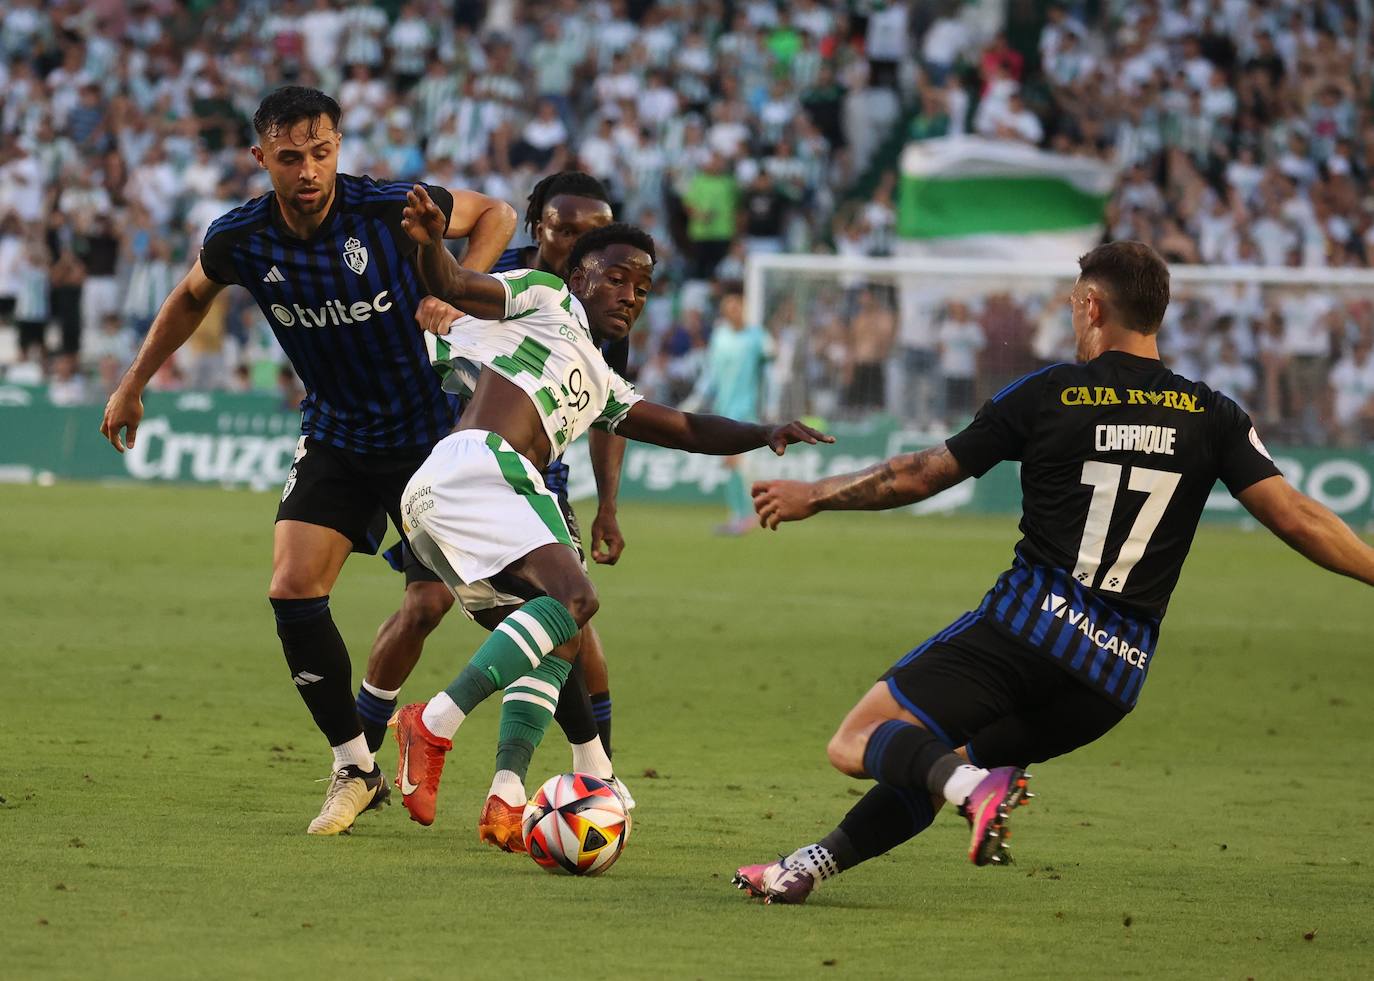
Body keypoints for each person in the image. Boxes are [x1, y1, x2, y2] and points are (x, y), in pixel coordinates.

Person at [733, 241, 1374, 904]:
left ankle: (977, 789)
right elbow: (1298, 517)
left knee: (860, 739)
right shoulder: (1212, 413)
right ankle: (808, 865)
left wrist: (818, 493)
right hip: (1110, 680)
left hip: (1029, 632)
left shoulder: (1051, 393)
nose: (1073, 318)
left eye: (1074, 305)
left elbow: (924, 472)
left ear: (1093, 305)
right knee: (936, 761)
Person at [98, 87, 518, 836]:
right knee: (292, 586)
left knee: (473, 604)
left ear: (338, 148)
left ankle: (587, 761)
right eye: (290, 157)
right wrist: (133, 382)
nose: (309, 171)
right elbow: (191, 297)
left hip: (431, 434)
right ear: (262, 159)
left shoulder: (389, 206)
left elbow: (496, 214)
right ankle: (356, 765)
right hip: (337, 433)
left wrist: (457, 289)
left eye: (321, 153)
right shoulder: (242, 237)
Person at [388, 189, 831, 835]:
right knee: (575, 599)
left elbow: (684, 426)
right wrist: (430, 244)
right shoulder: (545, 296)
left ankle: (507, 793)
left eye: (643, 288)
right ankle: (431, 724)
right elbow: (453, 282)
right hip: (481, 468)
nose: (630, 295)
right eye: (617, 277)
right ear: (578, 276)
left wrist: (764, 431)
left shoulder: (601, 376)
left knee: (557, 639)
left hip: (445, 498)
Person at [359, 171, 637, 851]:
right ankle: (359, 760)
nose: (579, 242)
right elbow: (445, 295)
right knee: (430, 609)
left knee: (566, 629)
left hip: (540, 475)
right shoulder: (509, 284)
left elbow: (611, 411)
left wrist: (608, 506)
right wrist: (438, 311)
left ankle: (512, 789)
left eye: (592, 233)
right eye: (567, 229)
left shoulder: (603, 302)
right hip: (469, 469)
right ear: (539, 225)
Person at [686, 287, 771, 535]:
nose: (733, 312)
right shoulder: (720, 337)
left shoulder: (758, 337)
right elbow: (711, 376)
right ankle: (741, 515)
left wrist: (772, 405)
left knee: (734, 460)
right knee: (731, 463)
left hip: (746, 410)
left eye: (737, 307)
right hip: (723, 409)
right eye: (728, 309)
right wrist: (697, 399)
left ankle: (745, 516)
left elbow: (771, 374)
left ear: (745, 308)